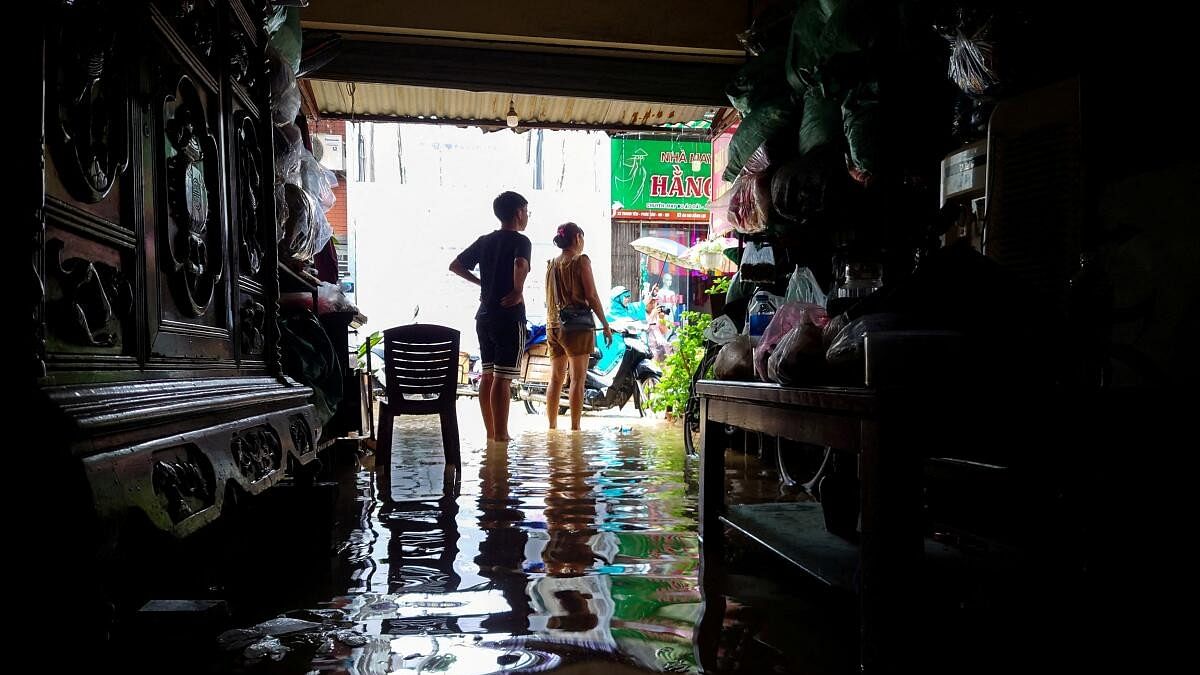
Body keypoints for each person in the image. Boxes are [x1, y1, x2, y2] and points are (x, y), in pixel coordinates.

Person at [449, 191, 531, 442]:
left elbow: (456, 265)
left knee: (487, 374)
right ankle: (501, 434)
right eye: (526, 211)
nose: (527, 216)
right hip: (508, 315)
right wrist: (517, 291)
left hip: (484, 316)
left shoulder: (485, 241)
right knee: (503, 378)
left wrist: (482, 283)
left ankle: (490, 434)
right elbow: (520, 264)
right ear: (518, 213)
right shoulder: (521, 241)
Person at [544, 222, 612, 431]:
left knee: (555, 379)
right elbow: (591, 295)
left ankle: (552, 427)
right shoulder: (580, 261)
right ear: (577, 238)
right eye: (582, 238)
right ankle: (575, 429)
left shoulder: (551, 264)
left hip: (553, 326)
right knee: (577, 379)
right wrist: (605, 325)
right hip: (576, 328)